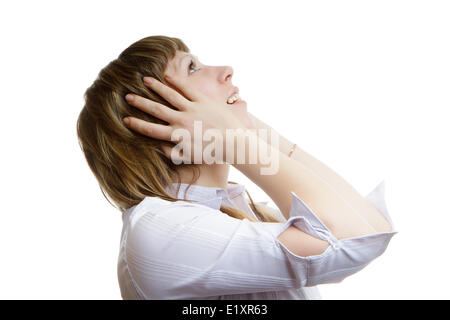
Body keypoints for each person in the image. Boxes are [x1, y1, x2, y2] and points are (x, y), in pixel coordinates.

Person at [76, 35, 397, 300]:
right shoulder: (163, 230)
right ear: (159, 117)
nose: (226, 70)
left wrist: (244, 128)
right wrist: (234, 137)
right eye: (192, 67)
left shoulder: (232, 207)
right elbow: (352, 241)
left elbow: (371, 226)